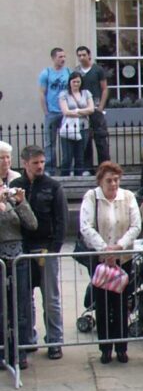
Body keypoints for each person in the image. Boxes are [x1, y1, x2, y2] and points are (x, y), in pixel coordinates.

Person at [78, 161, 140, 364]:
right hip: (101, 260)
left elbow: (135, 226)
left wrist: (119, 247)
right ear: (100, 181)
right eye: (109, 180)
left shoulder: (128, 197)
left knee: (122, 304)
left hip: (123, 258)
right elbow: (86, 226)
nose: (113, 184)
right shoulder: (91, 197)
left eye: (116, 180)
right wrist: (104, 249)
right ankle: (105, 348)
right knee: (103, 305)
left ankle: (122, 347)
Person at [14, 144, 66, 363]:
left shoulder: (53, 186)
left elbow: (61, 219)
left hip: (45, 247)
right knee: (25, 298)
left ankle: (55, 341)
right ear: (25, 163)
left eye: (42, 162)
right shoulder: (16, 185)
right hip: (22, 249)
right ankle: (29, 338)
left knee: (51, 299)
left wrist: (54, 249)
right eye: (35, 163)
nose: (40, 166)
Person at [0, 178, 36, 371]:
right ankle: (1, 351)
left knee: (20, 307)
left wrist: (21, 202)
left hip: (17, 259)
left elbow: (32, 224)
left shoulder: (12, 200)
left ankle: (19, 352)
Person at [74, 44, 110, 169]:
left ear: (89, 55)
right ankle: (87, 168)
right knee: (85, 140)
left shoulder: (98, 70)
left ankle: (105, 167)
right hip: (83, 110)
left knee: (101, 139)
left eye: (84, 55)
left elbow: (104, 89)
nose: (82, 57)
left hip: (96, 108)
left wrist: (100, 107)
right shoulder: (76, 71)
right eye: (79, 55)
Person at [36, 45, 70, 169]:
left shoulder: (68, 72)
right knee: (50, 142)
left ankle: (66, 168)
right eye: (60, 57)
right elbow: (42, 93)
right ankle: (50, 168)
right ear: (53, 58)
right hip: (52, 112)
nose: (63, 59)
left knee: (66, 141)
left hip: (66, 112)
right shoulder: (46, 73)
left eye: (64, 56)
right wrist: (46, 111)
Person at [57, 70, 94, 177]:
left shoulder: (86, 93)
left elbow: (91, 109)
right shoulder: (64, 94)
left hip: (83, 127)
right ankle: (64, 177)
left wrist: (76, 111)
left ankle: (79, 176)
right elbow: (66, 112)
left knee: (80, 156)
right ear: (70, 82)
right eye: (74, 82)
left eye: (78, 82)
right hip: (69, 128)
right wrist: (82, 111)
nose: (76, 84)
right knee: (67, 157)